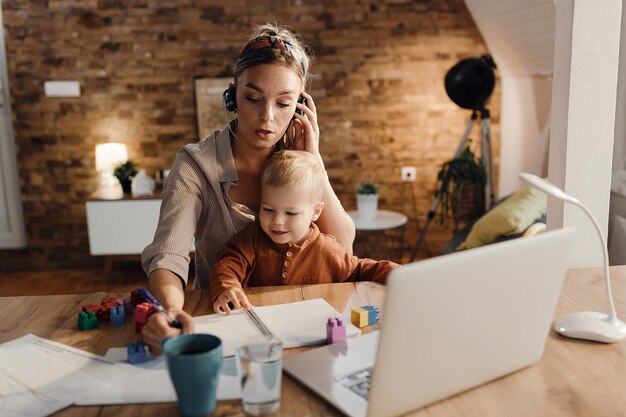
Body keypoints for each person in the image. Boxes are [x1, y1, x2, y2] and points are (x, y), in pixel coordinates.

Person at [140, 23, 356, 354]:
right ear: (233, 96)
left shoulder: (299, 159)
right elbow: (169, 255)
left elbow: (342, 245)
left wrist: (314, 158)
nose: (267, 117)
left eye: (284, 103)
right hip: (224, 321)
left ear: (300, 106)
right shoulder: (195, 164)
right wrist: (169, 310)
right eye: (253, 98)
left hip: (303, 321)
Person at [211, 150, 398, 314]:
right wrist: (227, 288)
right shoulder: (250, 239)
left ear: (315, 212)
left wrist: (399, 276)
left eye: (290, 213)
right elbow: (227, 266)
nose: (277, 221)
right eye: (268, 209)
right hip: (259, 327)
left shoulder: (328, 249)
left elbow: (360, 270)